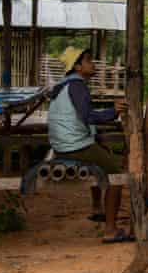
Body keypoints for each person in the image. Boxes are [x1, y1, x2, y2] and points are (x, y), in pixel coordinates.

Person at [48, 46, 133, 243]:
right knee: (116, 176)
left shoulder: (66, 85)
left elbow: (80, 118)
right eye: (87, 60)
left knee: (100, 154)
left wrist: (98, 137)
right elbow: (87, 116)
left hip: (64, 145)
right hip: (73, 146)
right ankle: (110, 230)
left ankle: (98, 208)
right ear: (77, 67)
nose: (92, 64)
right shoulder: (77, 86)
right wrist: (113, 111)